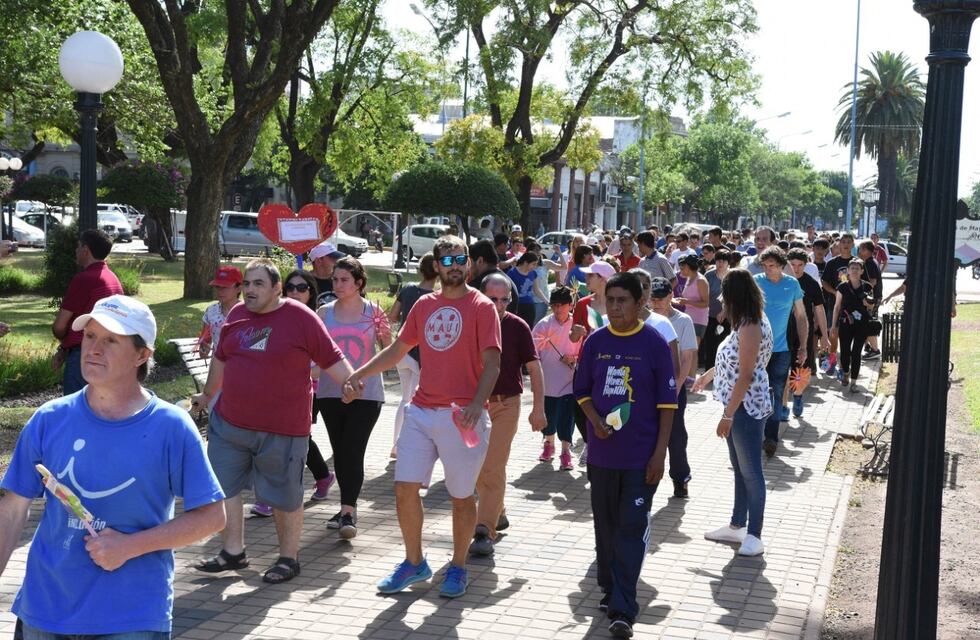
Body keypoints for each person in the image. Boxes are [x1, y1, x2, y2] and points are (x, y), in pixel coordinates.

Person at [0, 295, 226, 639]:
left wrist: (129, 547)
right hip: (44, 611)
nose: (93, 349)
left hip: (130, 617)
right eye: (90, 336)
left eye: (110, 340)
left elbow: (211, 517)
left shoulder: (172, 427)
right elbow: (12, 508)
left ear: (141, 354)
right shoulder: (50, 418)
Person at [345, 235, 501, 599]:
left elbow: (493, 363)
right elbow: (399, 350)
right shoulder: (424, 306)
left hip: (462, 416)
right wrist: (359, 374)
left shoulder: (481, 307)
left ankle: (458, 567)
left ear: (468, 262)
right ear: (436, 266)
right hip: (421, 410)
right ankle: (414, 563)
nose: (455, 266)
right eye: (447, 261)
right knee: (403, 488)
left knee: (461, 497)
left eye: (460, 259)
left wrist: (477, 404)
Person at [192, 259, 354, 584]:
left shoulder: (301, 318)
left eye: (258, 284)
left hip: (282, 427)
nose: (250, 290)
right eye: (247, 283)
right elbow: (221, 360)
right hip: (230, 423)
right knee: (224, 487)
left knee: (285, 495)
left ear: (277, 288)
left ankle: (288, 558)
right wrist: (207, 397)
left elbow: (331, 357)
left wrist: (350, 383)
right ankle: (233, 551)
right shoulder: (236, 316)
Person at [573, 272, 677, 639]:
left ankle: (623, 607)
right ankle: (610, 586)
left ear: (638, 304)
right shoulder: (596, 342)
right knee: (606, 527)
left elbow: (667, 405)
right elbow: (581, 390)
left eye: (623, 301)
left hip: (640, 458)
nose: (615, 307)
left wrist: (659, 454)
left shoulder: (654, 343)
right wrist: (594, 421)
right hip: (601, 456)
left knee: (631, 528)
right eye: (611, 300)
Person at [694, 269, 774, 558]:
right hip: (739, 405)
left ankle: (754, 534)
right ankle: (737, 525)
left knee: (751, 471)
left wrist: (727, 415)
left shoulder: (751, 325)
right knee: (740, 468)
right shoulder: (742, 322)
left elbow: (745, 375)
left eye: (724, 295)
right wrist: (709, 376)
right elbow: (735, 364)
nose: (720, 300)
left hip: (746, 408)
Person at [469, 274, 546, 556]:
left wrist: (538, 409)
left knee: (492, 465)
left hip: (506, 405)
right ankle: (497, 510)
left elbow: (535, 369)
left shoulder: (518, 327)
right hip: (473, 406)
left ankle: (483, 530)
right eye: (492, 299)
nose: (499, 305)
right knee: (477, 465)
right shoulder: (468, 324)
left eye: (505, 300)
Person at [251, 269, 336, 518]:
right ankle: (322, 476)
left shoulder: (316, 320)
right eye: (290, 287)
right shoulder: (272, 317)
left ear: (311, 292)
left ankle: (272, 496)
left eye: (302, 288)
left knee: (289, 440)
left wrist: (299, 370)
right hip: (270, 390)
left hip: (306, 391)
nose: (295, 293)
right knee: (276, 439)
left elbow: (324, 365)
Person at [317, 258, 391, 539]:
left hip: (367, 394)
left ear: (359, 283)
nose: (337, 285)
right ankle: (345, 508)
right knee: (340, 451)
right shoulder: (323, 313)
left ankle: (348, 511)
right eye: (335, 279)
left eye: (344, 280)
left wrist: (362, 377)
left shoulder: (374, 312)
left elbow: (388, 350)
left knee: (353, 450)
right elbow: (315, 353)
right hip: (330, 393)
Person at [50, 229, 123, 395]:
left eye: (78, 246)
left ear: (86, 249)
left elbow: (59, 326)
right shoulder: (113, 279)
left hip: (83, 355)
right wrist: (63, 349)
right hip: (109, 354)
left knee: (77, 411)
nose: (75, 251)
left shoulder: (84, 279)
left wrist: (65, 342)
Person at [754, 247, 808, 457]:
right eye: (765, 266)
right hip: (756, 348)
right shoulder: (755, 281)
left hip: (781, 349)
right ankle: (754, 433)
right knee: (756, 390)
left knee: (776, 391)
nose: (768, 270)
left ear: (781, 265)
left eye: (773, 266)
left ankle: (771, 438)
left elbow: (801, 316)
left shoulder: (792, 284)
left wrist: (803, 346)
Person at [648, 277, 697, 499]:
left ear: (671, 297)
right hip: (647, 388)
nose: (656, 302)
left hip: (673, 388)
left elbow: (686, 359)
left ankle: (680, 478)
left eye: (661, 298)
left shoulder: (683, 320)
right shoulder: (644, 320)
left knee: (676, 436)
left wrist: (674, 390)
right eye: (652, 298)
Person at [387, 253, 438, 458]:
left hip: (401, 352)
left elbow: (392, 316)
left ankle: (395, 446)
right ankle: (402, 445)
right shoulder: (435, 297)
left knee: (404, 399)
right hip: (420, 355)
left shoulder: (407, 289)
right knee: (413, 402)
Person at [532, 287, 579, 469]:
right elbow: (532, 352)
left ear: (570, 305)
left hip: (569, 381)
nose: (558, 309)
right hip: (547, 380)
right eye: (555, 305)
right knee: (549, 417)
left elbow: (585, 351)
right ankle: (548, 444)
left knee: (566, 417)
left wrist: (574, 359)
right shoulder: (543, 325)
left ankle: (565, 452)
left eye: (562, 305)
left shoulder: (577, 325)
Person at [786, 249, 831, 417]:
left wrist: (825, 337)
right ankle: (783, 404)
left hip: (803, 331)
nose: (796, 269)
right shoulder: (781, 281)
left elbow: (820, 310)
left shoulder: (811, 283)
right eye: (792, 265)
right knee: (783, 366)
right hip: (782, 330)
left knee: (801, 367)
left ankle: (797, 395)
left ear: (806, 265)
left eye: (800, 265)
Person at [831, 258, 878, 393]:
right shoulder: (842, 286)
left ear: (862, 271)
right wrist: (833, 325)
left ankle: (854, 382)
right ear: (848, 270)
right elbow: (837, 306)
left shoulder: (867, 286)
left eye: (857, 268)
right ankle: (846, 373)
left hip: (861, 324)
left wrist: (867, 302)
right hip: (845, 323)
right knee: (845, 351)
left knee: (856, 352)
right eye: (852, 268)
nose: (855, 271)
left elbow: (872, 305)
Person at [821, 233, 856, 378]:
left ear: (853, 245)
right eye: (843, 242)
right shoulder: (832, 263)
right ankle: (832, 359)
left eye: (849, 242)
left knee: (847, 338)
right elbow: (824, 282)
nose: (846, 244)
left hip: (852, 307)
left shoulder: (857, 262)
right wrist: (835, 292)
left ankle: (844, 368)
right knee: (832, 334)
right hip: (833, 305)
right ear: (839, 244)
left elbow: (866, 284)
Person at [673, 255, 710, 375]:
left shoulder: (700, 280)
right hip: (689, 317)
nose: (681, 270)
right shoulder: (690, 278)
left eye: (683, 267)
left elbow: (706, 303)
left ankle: (692, 378)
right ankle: (688, 377)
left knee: (692, 350)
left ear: (689, 267)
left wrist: (687, 302)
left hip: (699, 320)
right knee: (687, 349)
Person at [197, 265, 242, 359]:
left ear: (239, 288)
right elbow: (206, 339)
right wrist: (203, 349)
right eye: (217, 286)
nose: (220, 291)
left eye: (225, 287)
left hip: (241, 366)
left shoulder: (247, 312)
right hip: (217, 364)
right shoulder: (211, 311)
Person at [701, 249, 733, 370]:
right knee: (711, 344)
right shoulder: (709, 275)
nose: (720, 263)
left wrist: (725, 311)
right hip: (710, 315)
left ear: (728, 263)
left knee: (726, 344)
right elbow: (703, 294)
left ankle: (724, 370)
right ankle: (710, 369)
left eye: (724, 261)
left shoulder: (732, 276)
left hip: (729, 317)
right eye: (718, 260)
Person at [469, 239, 519, 313]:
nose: (468, 267)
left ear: (480, 261)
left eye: (470, 262)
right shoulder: (507, 281)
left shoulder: (477, 285)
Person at [507, 251, 547, 329]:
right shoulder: (512, 273)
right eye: (533, 264)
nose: (535, 267)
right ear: (526, 262)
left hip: (529, 306)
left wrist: (546, 301)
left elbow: (536, 290)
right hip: (515, 306)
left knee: (528, 329)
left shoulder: (533, 273)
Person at [857, 240, 883, 360]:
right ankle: (868, 346)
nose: (859, 251)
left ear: (867, 250)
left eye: (861, 249)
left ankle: (875, 349)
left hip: (871, 299)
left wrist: (865, 296)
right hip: (873, 297)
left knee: (869, 323)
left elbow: (873, 282)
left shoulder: (870, 263)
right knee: (865, 322)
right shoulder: (870, 261)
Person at [308, 241, 346, 305]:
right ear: (319, 260)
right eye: (333, 258)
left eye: (337, 258)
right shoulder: (304, 282)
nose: (337, 262)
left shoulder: (341, 280)